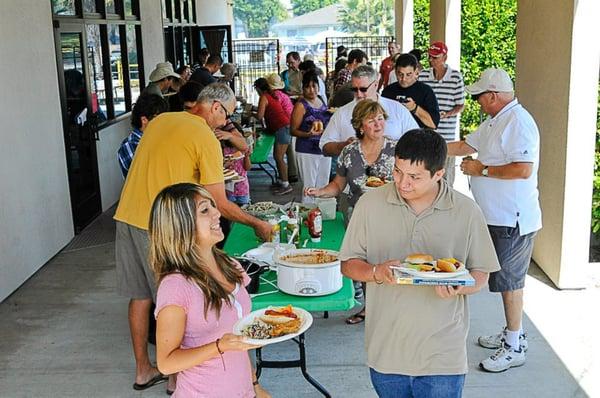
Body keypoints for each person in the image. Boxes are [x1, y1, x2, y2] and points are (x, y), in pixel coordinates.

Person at [113, 83, 271, 393]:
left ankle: (143, 370)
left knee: (140, 296)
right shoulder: (205, 136)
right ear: (214, 106)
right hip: (165, 226)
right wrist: (256, 223)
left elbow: (166, 167)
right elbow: (220, 203)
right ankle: (175, 379)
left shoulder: (162, 120)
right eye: (226, 114)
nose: (225, 122)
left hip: (127, 214)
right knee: (175, 300)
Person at [339, 128, 500, 397]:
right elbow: (348, 264)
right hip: (386, 352)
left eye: (414, 177)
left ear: (439, 173)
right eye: (398, 172)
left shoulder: (466, 211)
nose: (403, 183)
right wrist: (376, 271)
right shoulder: (370, 204)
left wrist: (459, 287)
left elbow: (481, 273)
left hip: (443, 356)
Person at [447, 67, 542, 373]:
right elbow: (464, 146)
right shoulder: (495, 121)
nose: (476, 102)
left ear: (493, 95)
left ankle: (514, 346)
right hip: (496, 217)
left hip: (512, 218)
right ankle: (512, 333)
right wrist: (421, 146)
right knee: (503, 281)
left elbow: (523, 169)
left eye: (479, 97)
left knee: (510, 283)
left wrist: (482, 170)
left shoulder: (518, 122)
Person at [149, 183, 270, 398]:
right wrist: (218, 346)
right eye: (205, 210)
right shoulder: (176, 286)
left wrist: (255, 385)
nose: (217, 213)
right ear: (181, 226)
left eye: (213, 206)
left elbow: (238, 339)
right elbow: (166, 363)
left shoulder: (230, 264)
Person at [306, 99, 398, 324]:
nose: (378, 124)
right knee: (366, 265)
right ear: (360, 126)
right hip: (359, 216)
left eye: (380, 119)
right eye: (371, 120)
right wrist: (320, 191)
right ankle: (370, 308)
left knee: (391, 262)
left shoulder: (397, 149)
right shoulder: (349, 151)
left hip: (393, 216)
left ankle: (394, 310)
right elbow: (338, 184)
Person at [319, 65, 418, 158]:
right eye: (354, 89)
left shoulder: (397, 109)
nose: (359, 94)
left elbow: (417, 140)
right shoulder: (341, 113)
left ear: (375, 85)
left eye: (363, 89)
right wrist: (344, 146)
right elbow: (324, 146)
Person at [419, 42, 465, 186]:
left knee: (446, 177)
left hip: (447, 137)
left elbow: (461, 105)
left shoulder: (456, 77)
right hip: (426, 135)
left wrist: (447, 114)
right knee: (426, 174)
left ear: (444, 57)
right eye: (430, 57)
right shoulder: (424, 75)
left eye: (435, 57)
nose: (431, 60)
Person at [291, 72, 332, 203]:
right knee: (309, 186)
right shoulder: (301, 105)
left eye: (314, 86)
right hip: (306, 150)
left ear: (319, 87)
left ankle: (321, 214)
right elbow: (293, 130)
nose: (312, 90)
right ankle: (308, 215)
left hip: (324, 149)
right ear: (303, 89)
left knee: (323, 184)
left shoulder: (321, 100)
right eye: (308, 87)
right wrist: (308, 134)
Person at [254, 75, 294, 195]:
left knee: (279, 157)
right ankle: (282, 181)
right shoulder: (272, 95)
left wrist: (251, 113)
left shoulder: (264, 97)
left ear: (258, 89)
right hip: (284, 127)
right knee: (279, 157)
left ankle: (286, 184)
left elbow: (260, 116)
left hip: (283, 128)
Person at [382, 53, 440, 129]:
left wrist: (415, 108)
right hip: (394, 138)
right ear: (395, 72)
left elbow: (433, 124)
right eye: (400, 74)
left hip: (418, 138)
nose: (404, 79)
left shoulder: (425, 91)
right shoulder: (388, 91)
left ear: (416, 72)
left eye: (408, 74)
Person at [117, 94, 169, 178]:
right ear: (144, 120)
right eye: (159, 119)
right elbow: (148, 176)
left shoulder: (159, 138)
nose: (164, 123)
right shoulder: (129, 146)